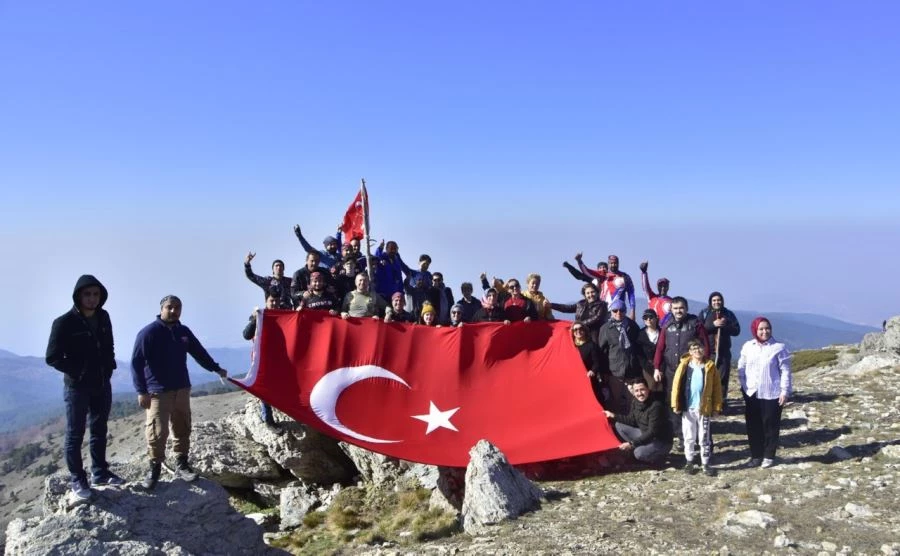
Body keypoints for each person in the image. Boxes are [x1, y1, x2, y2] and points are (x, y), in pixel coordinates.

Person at [131, 295, 229, 490]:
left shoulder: (183, 331)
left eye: (178, 308)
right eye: (170, 307)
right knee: (157, 432)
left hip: (182, 388)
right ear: (161, 309)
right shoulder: (148, 333)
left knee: (182, 427)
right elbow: (136, 363)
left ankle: (182, 464)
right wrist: (141, 391)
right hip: (158, 391)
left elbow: (199, 352)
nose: (174, 311)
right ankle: (154, 469)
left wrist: (216, 368)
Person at [45, 275, 124, 501]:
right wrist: (78, 372)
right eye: (87, 294)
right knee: (75, 434)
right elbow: (52, 357)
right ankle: (78, 479)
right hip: (77, 388)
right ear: (78, 296)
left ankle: (99, 472)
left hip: (101, 383)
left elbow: (109, 346)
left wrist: (109, 367)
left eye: (96, 294)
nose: (92, 299)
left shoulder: (104, 317)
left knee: (99, 429)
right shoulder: (63, 322)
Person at [653, 296, 710, 448]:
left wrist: (706, 365)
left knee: (693, 403)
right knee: (675, 404)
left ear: (686, 308)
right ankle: (682, 438)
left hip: (692, 370)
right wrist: (657, 367)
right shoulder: (667, 325)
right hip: (671, 372)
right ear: (671, 309)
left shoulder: (695, 324)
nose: (678, 311)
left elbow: (705, 344)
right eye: (676, 308)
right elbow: (660, 348)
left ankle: (699, 437)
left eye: (681, 308)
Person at [737, 317, 792, 469]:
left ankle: (769, 455)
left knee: (770, 425)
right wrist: (743, 386)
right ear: (755, 330)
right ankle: (756, 455)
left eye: (767, 328)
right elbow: (741, 366)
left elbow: (785, 371)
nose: (764, 331)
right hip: (751, 393)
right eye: (761, 329)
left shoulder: (779, 347)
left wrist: (785, 391)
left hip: (771, 393)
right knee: (753, 425)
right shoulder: (748, 346)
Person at [671, 339, 723, 476]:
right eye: (693, 349)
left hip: (704, 408)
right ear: (689, 352)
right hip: (688, 408)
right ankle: (689, 461)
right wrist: (675, 404)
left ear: (704, 349)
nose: (697, 351)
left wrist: (717, 407)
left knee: (704, 437)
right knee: (689, 436)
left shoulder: (710, 367)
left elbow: (717, 388)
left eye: (699, 348)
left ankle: (705, 463)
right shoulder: (684, 366)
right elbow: (676, 386)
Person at [603, 378, 673, 465]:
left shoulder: (656, 406)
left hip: (660, 440)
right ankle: (641, 448)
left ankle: (659, 457)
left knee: (638, 453)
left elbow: (652, 432)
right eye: (636, 391)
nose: (639, 393)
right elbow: (632, 420)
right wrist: (614, 415)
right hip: (645, 434)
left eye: (642, 389)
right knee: (619, 425)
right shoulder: (635, 402)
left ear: (648, 389)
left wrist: (632, 443)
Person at [242, 292, 285, 435]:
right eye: (272, 301)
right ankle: (268, 419)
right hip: (261, 359)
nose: (274, 304)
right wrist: (255, 319)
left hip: (277, 358)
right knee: (264, 388)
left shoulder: (282, 316)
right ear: (266, 301)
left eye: (277, 301)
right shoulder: (259, 316)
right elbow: (246, 334)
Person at [596, 298, 642, 414]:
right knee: (614, 401)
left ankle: (631, 428)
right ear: (611, 312)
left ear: (625, 311)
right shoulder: (606, 328)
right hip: (614, 371)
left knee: (632, 402)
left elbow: (639, 347)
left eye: (621, 310)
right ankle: (615, 427)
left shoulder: (632, 326)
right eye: (615, 310)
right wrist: (603, 372)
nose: (618, 313)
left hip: (632, 371)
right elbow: (601, 352)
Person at [698, 291, 741, 405]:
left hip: (724, 352)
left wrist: (725, 325)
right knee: (707, 377)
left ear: (722, 301)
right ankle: (707, 402)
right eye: (714, 300)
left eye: (719, 300)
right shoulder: (704, 313)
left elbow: (736, 330)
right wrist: (713, 325)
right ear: (710, 302)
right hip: (708, 352)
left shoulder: (728, 314)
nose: (717, 302)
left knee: (722, 378)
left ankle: (720, 403)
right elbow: (698, 330)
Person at [571, 320, 607, 406]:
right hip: (575, 379)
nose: (578, 331)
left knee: (596, 401)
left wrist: (592, 371)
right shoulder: (571, 346)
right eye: (575, 330)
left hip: (589, 378)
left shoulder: (591, 345)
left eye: (580, 328)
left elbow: (596, 362)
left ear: (584, 330)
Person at [637, 309, 663, 391]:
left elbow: (666, 352)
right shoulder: (640, 334)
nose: (648, 319)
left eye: (651, 317)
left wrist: (660, 369)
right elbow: (639, 354)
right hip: (647, 368)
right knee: (650, 391)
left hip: (662, 367)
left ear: (656, 318)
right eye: (645, 317)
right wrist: (651, 369)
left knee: (661, 391)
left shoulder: (663, 333)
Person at [639, 261, 672, 325]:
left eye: (665, 286)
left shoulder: (672, 301)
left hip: (666, 331)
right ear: (657, 287)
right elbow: (646, 287)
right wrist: (644, 273)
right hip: (652, 328)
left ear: (668, 287)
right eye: (660, 286)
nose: (663, 288)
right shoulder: (652, 297)